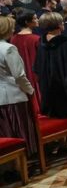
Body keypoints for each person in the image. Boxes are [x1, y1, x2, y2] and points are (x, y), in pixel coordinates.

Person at [0, 16, 38, 156]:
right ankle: (23, 161)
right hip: (13, 95)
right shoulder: (8, 48)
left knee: (6, 131)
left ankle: (11, 165)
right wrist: (30, 90)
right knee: (19, 130)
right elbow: (19, 75)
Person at [11, 10, 41, 111]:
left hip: (21, 75)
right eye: (35, 18)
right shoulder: (36, 39)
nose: (38, 20)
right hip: (35, 74)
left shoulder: (13, 38)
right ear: (27, 22)